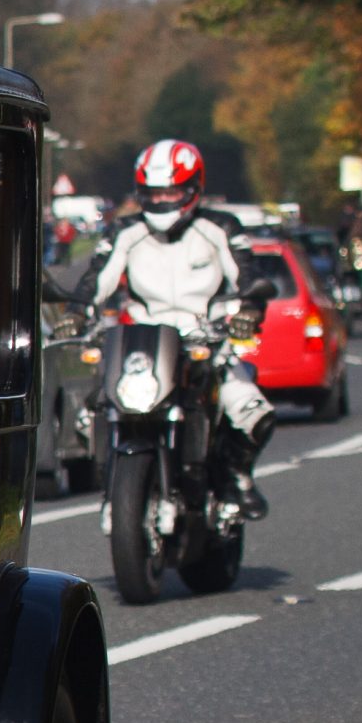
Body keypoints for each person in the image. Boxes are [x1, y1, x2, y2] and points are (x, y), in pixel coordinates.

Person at [75, 137, 275, 518]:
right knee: (88, 415)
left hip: (208, 340)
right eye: (154, 193)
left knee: (254, 412)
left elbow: (248, 274)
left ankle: (236, 476)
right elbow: (96, 280)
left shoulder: (221, 227)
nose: (163, 201)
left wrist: (249, 307)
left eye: (172, 191)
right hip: (140, 344)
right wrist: (75, 311)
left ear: (194, 188)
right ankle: (115, 478)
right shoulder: (125, 232)